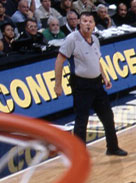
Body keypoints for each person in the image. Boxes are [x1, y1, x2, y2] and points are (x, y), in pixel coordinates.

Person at [54, 11, 127, 156]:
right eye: (85, 21)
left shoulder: (95, 39)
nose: (88, 24)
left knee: (107, 116)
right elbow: (59, 61)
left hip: (97, 84)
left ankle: (112, 147)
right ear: (79, 23)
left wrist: (104, 77)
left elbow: (97, 60)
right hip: (81, 85)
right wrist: (58, 84)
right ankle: (79, 154)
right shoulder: (72, 39)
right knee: (82, 120)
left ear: (94, 24)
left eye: (90, 21)